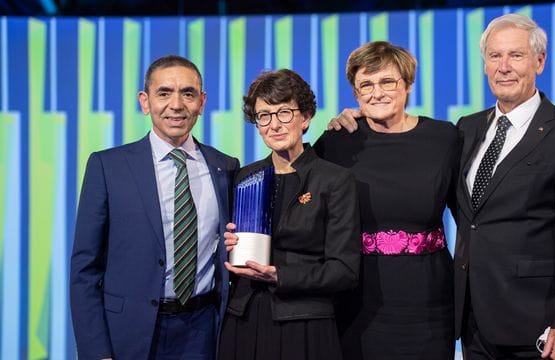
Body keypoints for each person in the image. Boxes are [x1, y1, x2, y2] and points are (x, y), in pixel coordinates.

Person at [453, 14, 555, 360]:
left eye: (515, 56)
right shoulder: (466, 128)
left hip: (540, 325)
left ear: (539, 61)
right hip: (473, 322)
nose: (503, 67)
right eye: (494, 56)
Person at [70, 55, 239, 359]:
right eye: (164, 93)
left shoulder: (225, 166)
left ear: (201, 102)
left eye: (188, 93)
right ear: (144, 102)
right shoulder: (107, 166)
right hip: (129, 335)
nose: (176, 104)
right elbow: (85, 270)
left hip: (203, 331)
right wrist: (97, 352)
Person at [316, 41, 461, 359]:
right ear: (355, 95)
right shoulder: (337, 141)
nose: (376, 92)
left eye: (387, 82)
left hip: (429, 301)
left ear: (408, 85)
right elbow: (303, 202)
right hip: (357, 300)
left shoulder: (444, 138)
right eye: (365, 84)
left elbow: (471, 219)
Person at [218, 69, 361, 360]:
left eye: (284, 112)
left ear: (305, 117)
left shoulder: (333, 180)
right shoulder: (245, 177)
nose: (274, 124)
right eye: (264, 116)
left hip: (304, 321)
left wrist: (280, 275)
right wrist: (228, 243)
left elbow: (344, 271)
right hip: (243, 318)